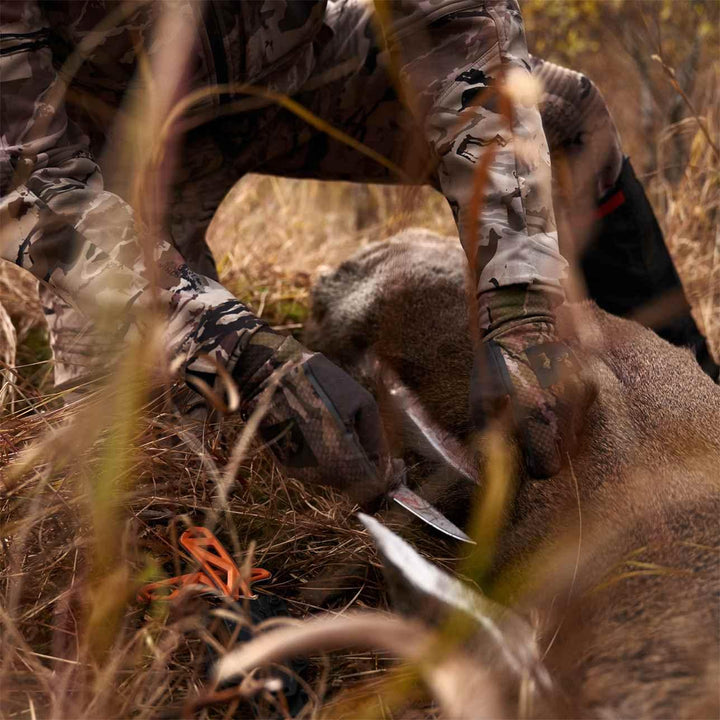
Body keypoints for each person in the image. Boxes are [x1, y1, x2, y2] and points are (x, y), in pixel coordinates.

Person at [0, 1, 714, 508]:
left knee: (566, 123)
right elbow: (36, 187)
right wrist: (234, 347)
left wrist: (520, 305)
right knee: (132, 418)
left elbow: (462, 31)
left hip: (300, 70)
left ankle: (695, 394)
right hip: (104, 140)